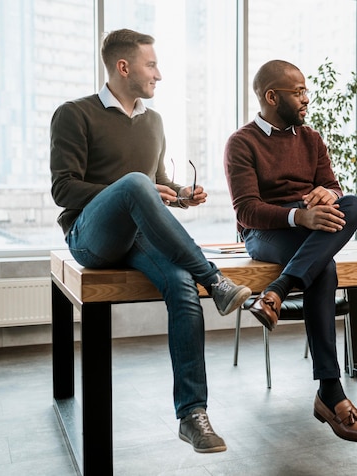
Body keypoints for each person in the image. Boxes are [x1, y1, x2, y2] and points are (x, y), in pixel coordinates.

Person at [49, 28, 252, 454]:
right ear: (123, 67)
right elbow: (64, 189)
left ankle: (192, 415)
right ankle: (215, 280)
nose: (158, 74)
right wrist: (127, 188)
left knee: (181, 286)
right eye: (151, 64)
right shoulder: (74, 114)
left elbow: (155, 185)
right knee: (135, 184)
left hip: (140, 235)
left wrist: (179, 194)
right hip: (90, 236)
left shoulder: (154, 121)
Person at [223, 59, 357, 443]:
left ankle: (277, 290)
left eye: (307, 90)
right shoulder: (241, 143)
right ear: (272, 96)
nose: (308, 98)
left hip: (308, 231)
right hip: (264, 232)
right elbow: (246, 209)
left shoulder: (311, 138)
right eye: (300, 92)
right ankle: (331, 394)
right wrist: (300, 217)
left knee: (355, 204)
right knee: (323, 268)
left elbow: (332, 185)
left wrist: (331, 194)